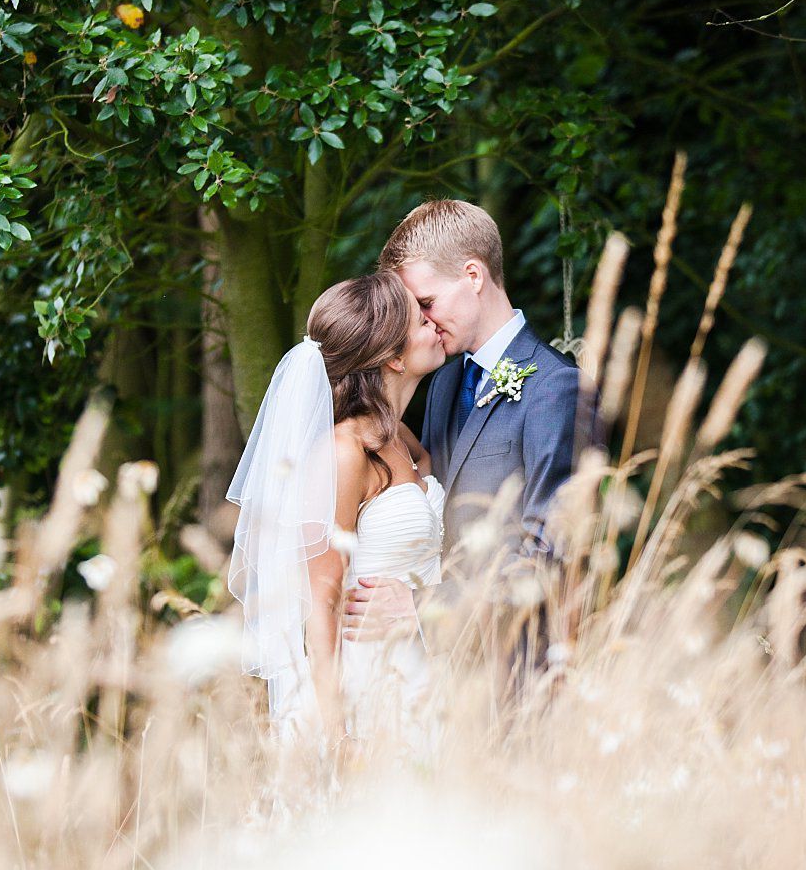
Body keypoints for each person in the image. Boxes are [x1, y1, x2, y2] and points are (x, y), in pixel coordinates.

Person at [343, 199, 600, 657]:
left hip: (516, 669)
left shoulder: (557, 388)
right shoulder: (445, 381)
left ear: (473, 276)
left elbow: (551, 555)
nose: (419, 322)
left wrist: (422, 608)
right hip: (440, 669)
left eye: (426, 303)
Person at [226, 271, 446, 751]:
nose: (434, 321)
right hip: (366, 682)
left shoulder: (398, 437)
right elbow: (320, 603)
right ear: (391, 356)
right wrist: (336, 732)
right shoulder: (344, 452)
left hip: (415, 664)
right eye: (419, 318)